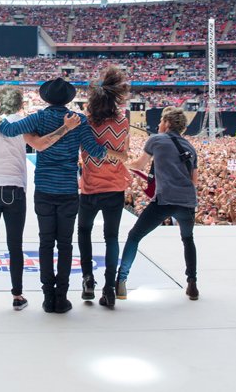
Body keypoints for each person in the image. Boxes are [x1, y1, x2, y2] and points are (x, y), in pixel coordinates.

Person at [0, 77, 125, 314]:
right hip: (67, 191)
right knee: (64, 245)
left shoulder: (39, 117)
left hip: (43, 189)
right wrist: (120, 155)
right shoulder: (79, 120)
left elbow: (8, 130)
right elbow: (94, 152)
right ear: (68, 99)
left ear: (46, 97)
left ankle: (47, 297)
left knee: (45, 243)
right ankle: (61, 298)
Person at [0, 87, 80, 311]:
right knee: (15, 245)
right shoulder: (25, 125)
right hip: (15, 189)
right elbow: (40, 145)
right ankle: (17, 296)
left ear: (0, 103)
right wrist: (65, 129)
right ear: (20, 105)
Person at [117, 106, 199, 301]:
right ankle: (192, 284)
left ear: (168, 123)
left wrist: (121, 163)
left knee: (134, 236)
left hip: (164, 200)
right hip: (187, 202)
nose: (158, 124)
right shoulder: (190, 147)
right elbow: (193, 181)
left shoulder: (156, 139)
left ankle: (121, 282)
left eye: (161, 121)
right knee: (188, 240)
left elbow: (139, 165)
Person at [77, 66, 131, 308]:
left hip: (89, 188)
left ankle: (88, 279)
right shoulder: (123, 122)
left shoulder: (85, 124)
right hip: (115, 189)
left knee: (84, 233)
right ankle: (109, 288)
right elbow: (125, 153)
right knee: (111, 238)